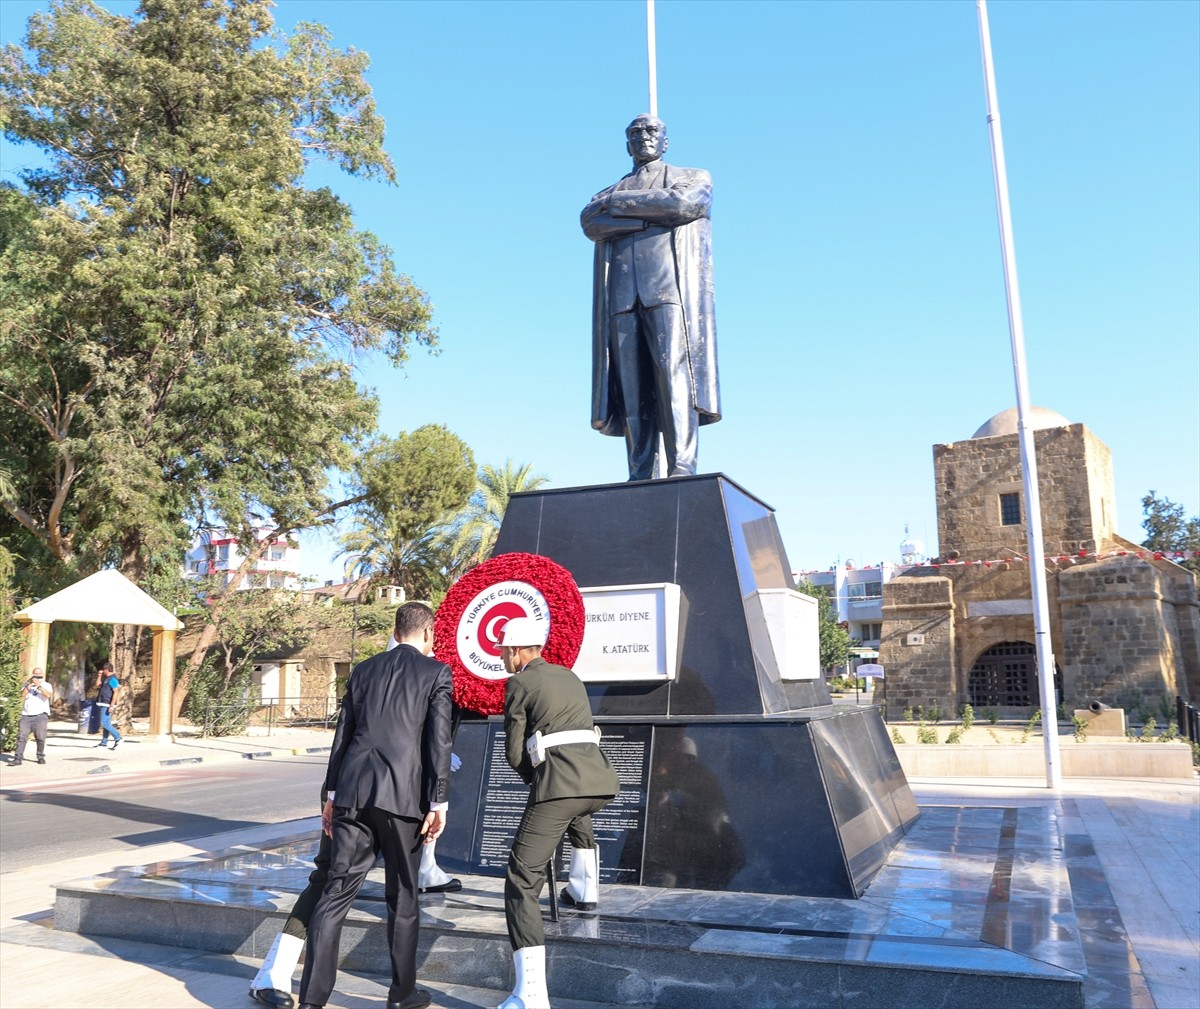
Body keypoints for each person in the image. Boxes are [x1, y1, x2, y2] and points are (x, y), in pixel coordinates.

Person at [296, 602, 452, 1009]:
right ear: (429, 633)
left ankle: (312, 1000)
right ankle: (402, 995)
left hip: (351, 793)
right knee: (403, 897)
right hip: (403, 800)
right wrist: (439, 801)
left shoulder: (363, 670)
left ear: (396, 631)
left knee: (336, 893)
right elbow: (438, 741)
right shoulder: (435, 672)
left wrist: (331, 795)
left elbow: (342, 736)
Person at [581, 113, 721, 481]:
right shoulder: (606, 191)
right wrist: (651, 217)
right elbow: (590, 223)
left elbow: (683, 205)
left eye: (651, 131)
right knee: (631, 384)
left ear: (665, 140)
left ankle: (682, 464)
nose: (643, 136)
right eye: (635, 133)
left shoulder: (692, 177)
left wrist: (621, 206)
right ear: (627, 144)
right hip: (622, 296)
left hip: (668, 289)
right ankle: (639, 470)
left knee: (673, 373)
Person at [497, 617, 620, 1009]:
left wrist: (535, 779)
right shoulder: (569, 676)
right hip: (598, 780)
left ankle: (529, 995)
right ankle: (585, 888)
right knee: (577, 815)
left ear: (517, 651)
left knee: (520, 880)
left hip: (559, 786)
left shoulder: (519, 682)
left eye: (503, 651)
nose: (502, 658)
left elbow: (515, 752)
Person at [11, 667, 54, 766]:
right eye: (35, 674)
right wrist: (29, 686)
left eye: (39, 675)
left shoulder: (47, 685)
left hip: (41, 715)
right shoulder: (27, 685)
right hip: (26, 715)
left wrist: (39, 686)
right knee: (22, 737)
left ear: (42, 675)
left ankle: (40, 756)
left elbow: (48, 695)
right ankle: (18, 758)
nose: (37, 676)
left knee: (40, 737)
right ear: (32, 675)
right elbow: (22, 694)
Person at [94, 660, 123, 750]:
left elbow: (116, 692)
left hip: (108, 704)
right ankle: (104, 743)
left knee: (104, 723)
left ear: (107, 670)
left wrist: (112, 705)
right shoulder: (106, 679)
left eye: (104, 670)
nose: (103, 671)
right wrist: (99, 676)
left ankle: (118, 738)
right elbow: (97, 685)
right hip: (103, 703)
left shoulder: (113, 679)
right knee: (106, 723)